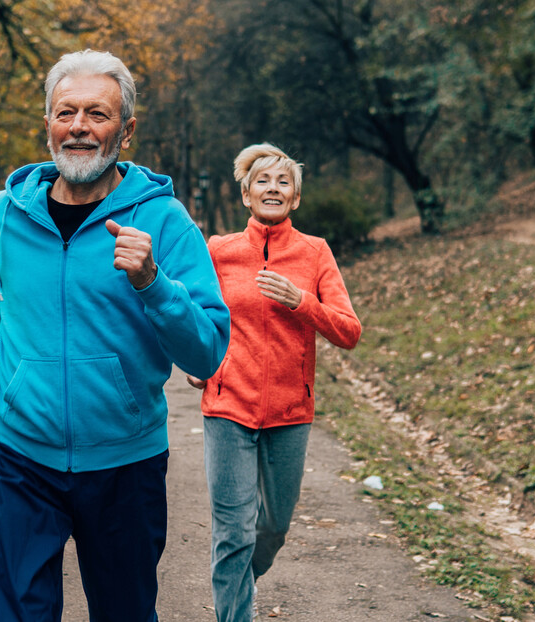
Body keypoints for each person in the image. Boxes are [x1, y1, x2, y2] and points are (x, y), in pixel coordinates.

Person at [0, 49, 230, 622]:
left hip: (126, 465)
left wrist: (153, 283)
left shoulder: (164, 221)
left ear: (125, 131)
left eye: (97, 115)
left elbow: (208, 348)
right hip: (21, 458)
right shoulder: (6, 214)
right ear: (48, 124)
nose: (78, 126)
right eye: (65, 112)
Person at [187, 144, 361, 621]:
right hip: (227, 405)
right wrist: (200, 358)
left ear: (296, 199)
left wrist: (301, 301)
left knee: (273, 527)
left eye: (283, 182)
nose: (273, 189)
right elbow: (200, 316)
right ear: (246, 195)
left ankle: (242, 578)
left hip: (289, 411)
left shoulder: (315, 253)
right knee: (233, 532)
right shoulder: (219, 251)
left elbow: (349, 331)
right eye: (263, 181)